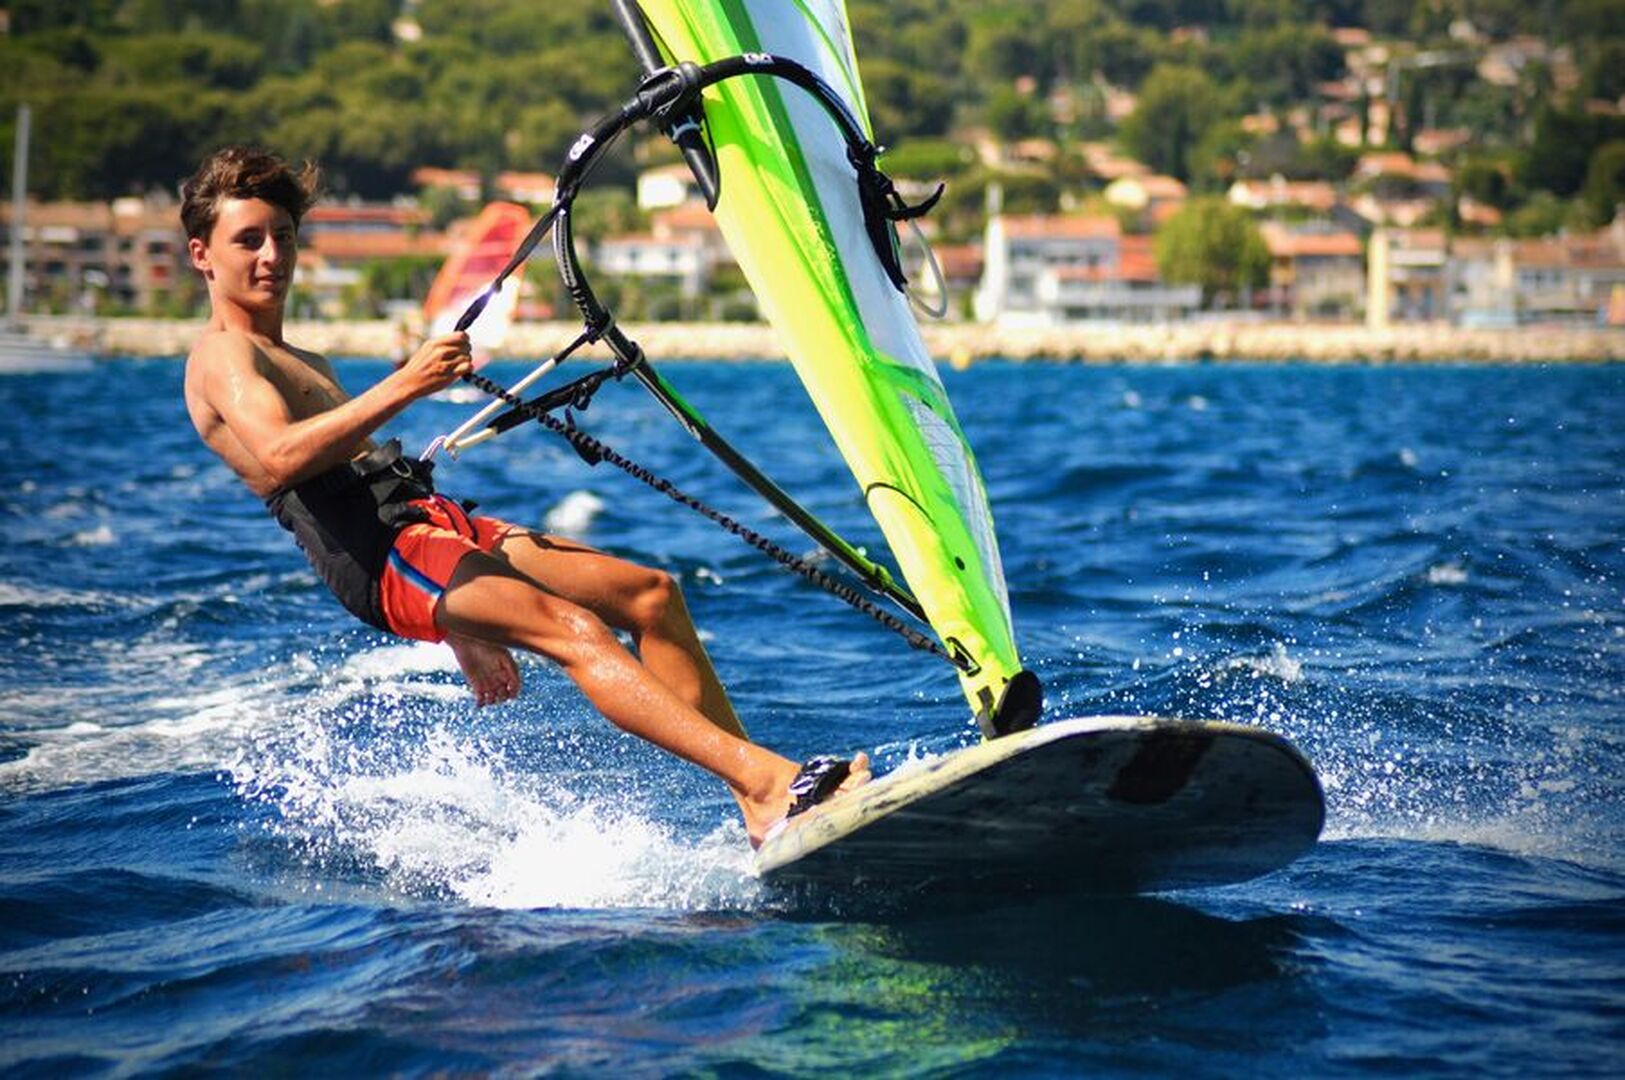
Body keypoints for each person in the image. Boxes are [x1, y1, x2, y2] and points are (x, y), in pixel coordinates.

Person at [179, 145, 867, 846]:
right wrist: (408, 384)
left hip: (424, 527)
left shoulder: (300, 358)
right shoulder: (223, 357)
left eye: (284, 237)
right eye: (248, 241)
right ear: (203, 255)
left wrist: (460, 624)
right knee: (578, 633)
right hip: (380, 554)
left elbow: (344, 455)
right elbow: (280, 455)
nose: (272, 256)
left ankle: (758, 806)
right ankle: (771, 784)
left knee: (650, 596)